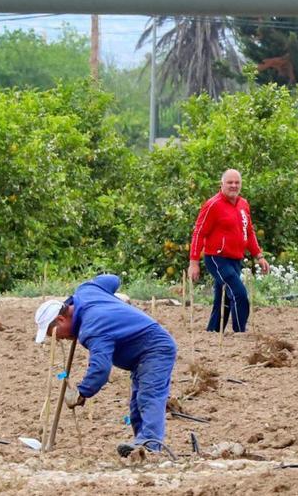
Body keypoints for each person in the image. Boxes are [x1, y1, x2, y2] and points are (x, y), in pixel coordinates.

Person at [33, 274, 178, 457]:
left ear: (61, 320)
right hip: (141, 354)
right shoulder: (85, 291)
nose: (58, 338)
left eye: (53, 333)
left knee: (148, 397)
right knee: (136, 406)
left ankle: (150, 445)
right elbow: (112, 279)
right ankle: (141, 448)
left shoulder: (93, 327)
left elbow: (101, 369)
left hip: (155, 349)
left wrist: (82, 392)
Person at [187, 169, 270, 333]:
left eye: (237, 183)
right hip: (217, 258)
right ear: (222, 184)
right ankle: (240, 332)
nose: (233, 186)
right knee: (239, 294)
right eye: (230, 182)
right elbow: (199, 233)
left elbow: (249, 231)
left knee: (222, 298)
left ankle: (213, 332)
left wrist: (259, 256)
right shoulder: (213, 205)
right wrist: (194, 262)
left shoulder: (243, 204)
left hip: (235, 258)